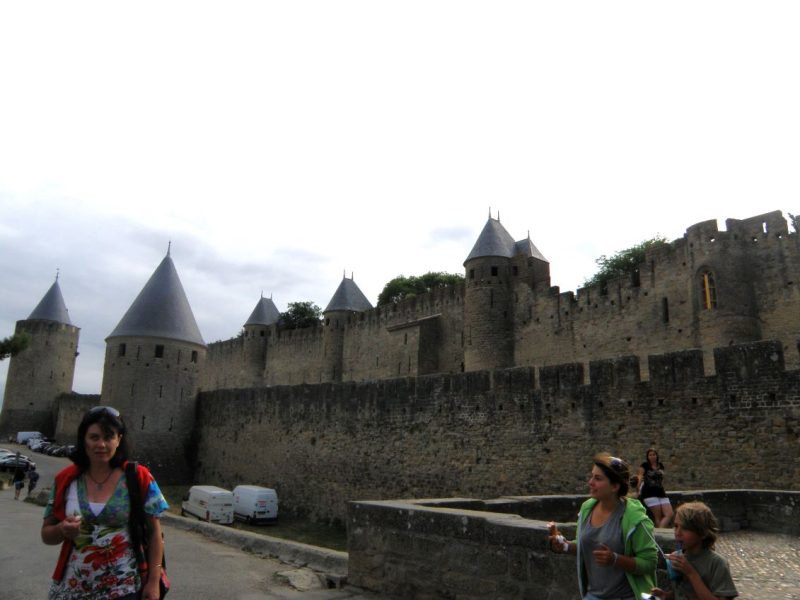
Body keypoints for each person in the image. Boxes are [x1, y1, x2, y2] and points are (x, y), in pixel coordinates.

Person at [41, 406, 169, 600]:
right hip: (72, 589)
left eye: (109, 437)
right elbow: (46, 535)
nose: (101, 444)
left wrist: (153, 582)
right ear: (84, 440)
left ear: (119, 440)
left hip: (124, 588)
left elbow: (154, 535)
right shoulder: (65, 480)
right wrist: (61, 529)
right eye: (94, 437)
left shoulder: (139, 477)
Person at [549, 453, 658, 600]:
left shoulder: (635, 519)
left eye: (598, 478)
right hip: (592, 596)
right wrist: (565, 546)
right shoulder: (587, 509)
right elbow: (586, 546)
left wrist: (615, 559)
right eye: (592, 476)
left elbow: (650, 562)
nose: (590, 482)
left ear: (614, 486)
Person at [650, 501, 738, 600]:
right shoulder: (677, 558)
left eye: (685, 528)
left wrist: (691, 574)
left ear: (703, 533)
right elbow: (681, 593)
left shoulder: (717, 564)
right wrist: (666, 596)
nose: (677, 533)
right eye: (676, 526)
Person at [638, 448, 673, 528]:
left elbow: (661, 478)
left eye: (654, 454)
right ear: (647, 457)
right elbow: (639, 477)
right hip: (649, 493)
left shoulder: (660, 466)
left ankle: (659, 531)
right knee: (658, 516)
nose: (652, 456)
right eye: (650, 455)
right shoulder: (644, 466)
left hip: (661, 492)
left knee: (669, 514)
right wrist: (638, 490)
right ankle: (660, 535)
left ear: (657, 456)